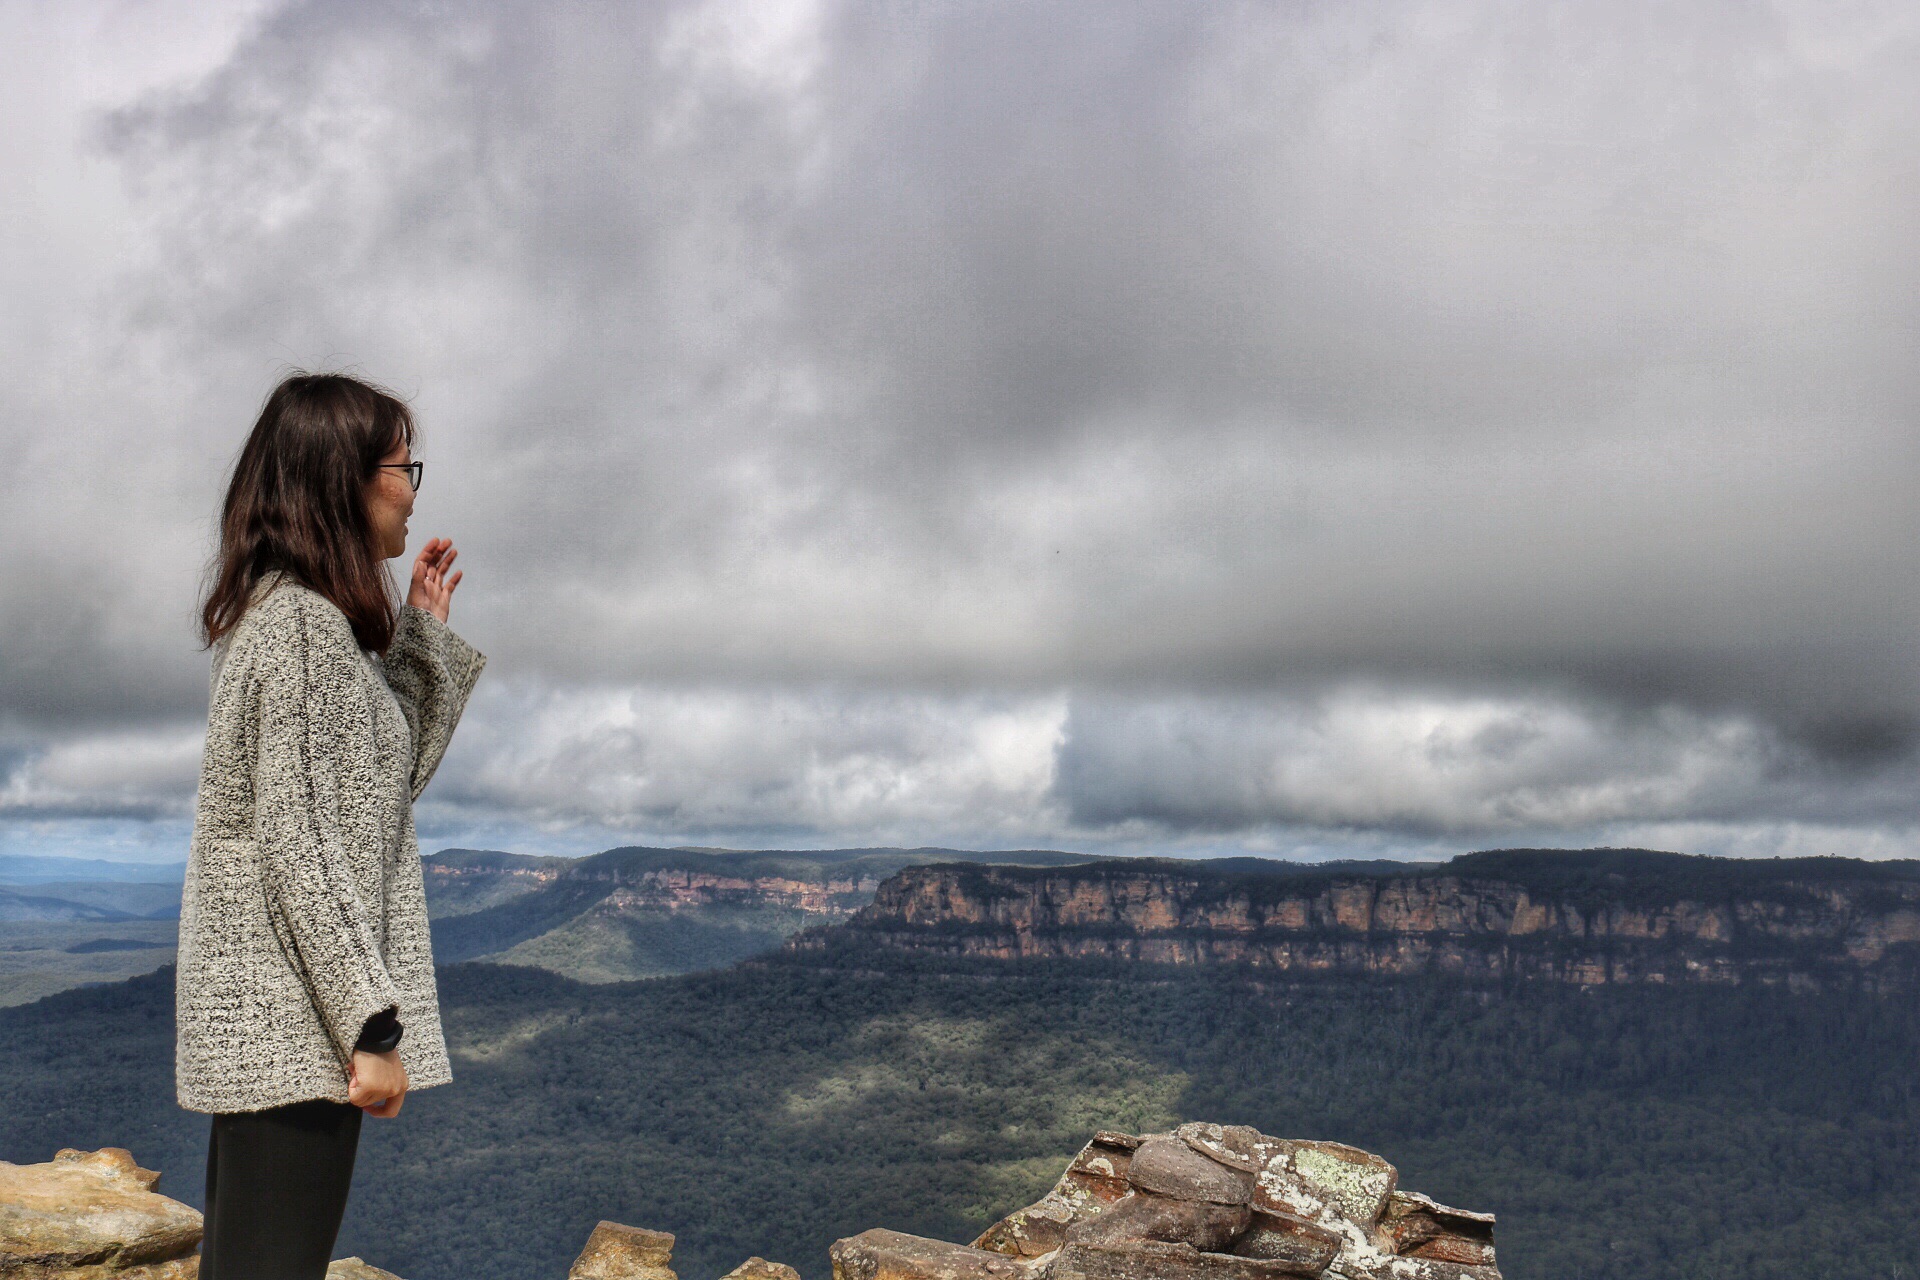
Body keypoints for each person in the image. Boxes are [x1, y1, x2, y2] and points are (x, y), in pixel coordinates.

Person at [176, 372, 487, 1279]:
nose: (412, 490)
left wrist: (422, 638)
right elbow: (304, 845)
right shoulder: (305, 628)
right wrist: (372, 1028)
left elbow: (374, 800)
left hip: (279, 1032)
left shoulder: (297, 623)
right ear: (343, 479)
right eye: (403, 467)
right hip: (297, 1031)